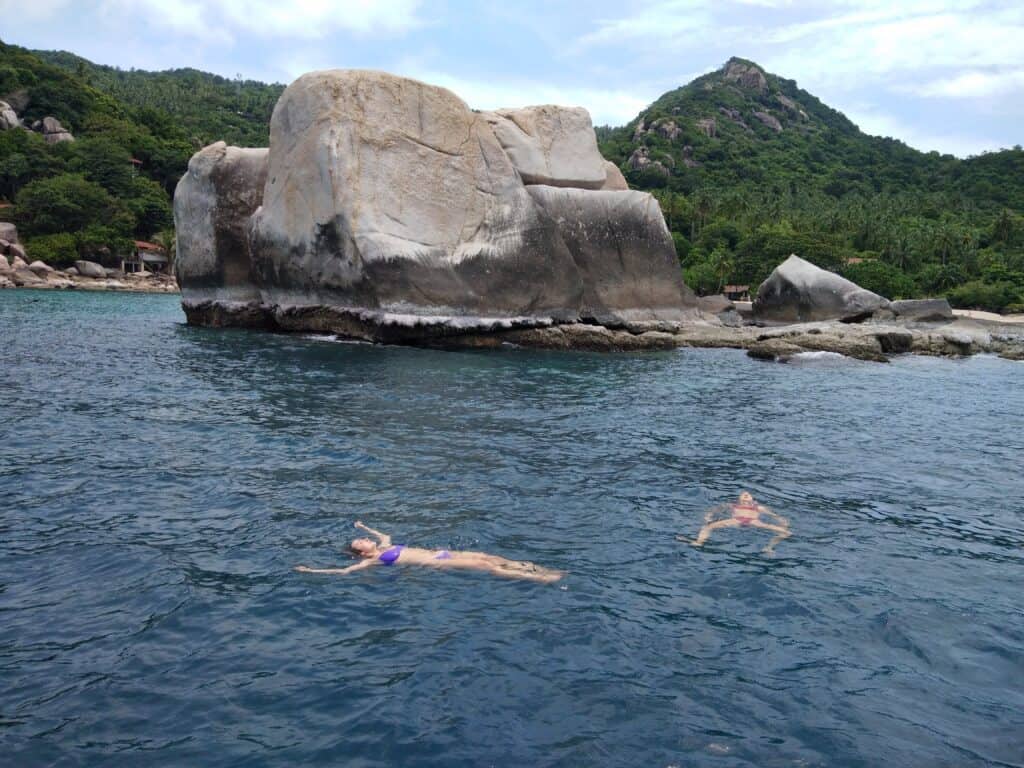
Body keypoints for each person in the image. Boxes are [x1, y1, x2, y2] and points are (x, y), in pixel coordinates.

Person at [295, 521, 564, 583]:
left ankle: (531, 566)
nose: (365, 539)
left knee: (487, 556)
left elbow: (384, 535)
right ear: (362, 553)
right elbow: (344, 571)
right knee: (488, 567)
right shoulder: (374, 561)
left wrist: (365, 525)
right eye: (361, 541)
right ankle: (539, 578)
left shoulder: (385, 546)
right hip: (439, 564)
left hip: (443, 554)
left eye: (363, 537)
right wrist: (311, 570)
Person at [678, 492, 791, 554]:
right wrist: (709, 516)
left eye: (748, 494)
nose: (746, 494)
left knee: (786, 533)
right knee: (708, 527)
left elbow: (774, 515)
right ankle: (699, 541)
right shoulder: (733, 505)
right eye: (743, 494)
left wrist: (781, 520)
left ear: (752, 499)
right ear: (739, 499)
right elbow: (716, 509)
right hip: (736, 520)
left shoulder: (759, 507)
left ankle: (769, 547)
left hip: (755, 521)